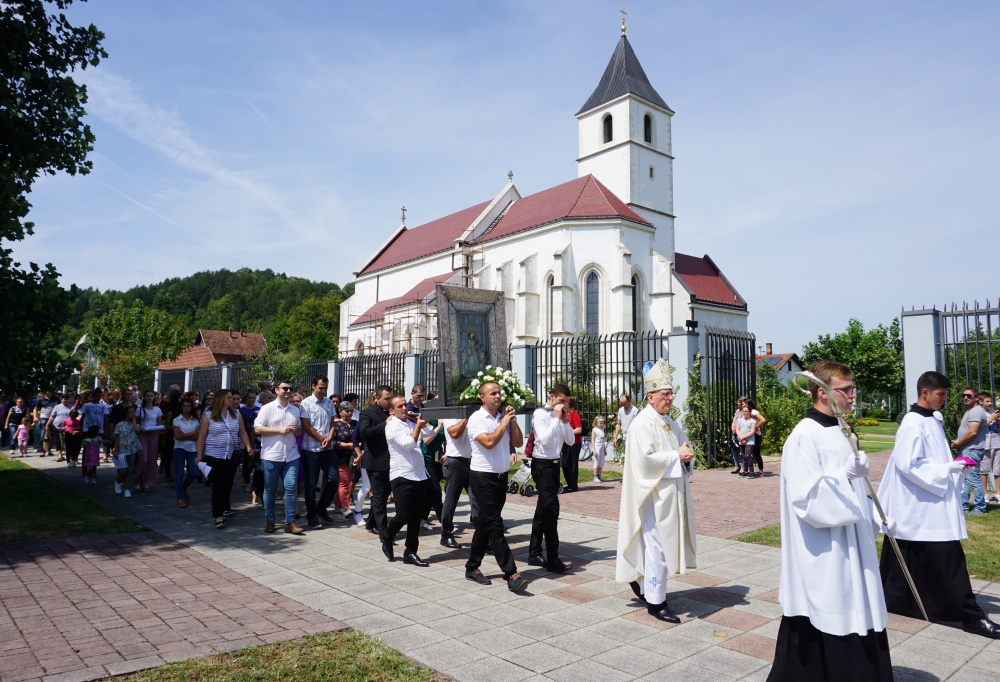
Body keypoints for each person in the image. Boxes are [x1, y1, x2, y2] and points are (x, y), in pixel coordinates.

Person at [767, 361, 892, 681]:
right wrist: (844, 476)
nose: (853, 394)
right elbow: (806, 500)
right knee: (830, 609)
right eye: (846, 389)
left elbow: (854, 488)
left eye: (853, 388)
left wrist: (873, 512)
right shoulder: (803, 437)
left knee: (855, 604)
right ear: (822, 392)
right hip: (823, 549)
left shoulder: (842, 429)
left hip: (851, 542)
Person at [878, 371, 1000, 639]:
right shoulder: (912, 423)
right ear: (925, 392)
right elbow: (907, 463)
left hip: (929, 497)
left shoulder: (930, 419)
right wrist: (950, 469)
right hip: (920, 502)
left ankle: (902, 602)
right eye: (941, 394)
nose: (945, 399)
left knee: (914, 554)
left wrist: (952, 468)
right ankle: (970, 616)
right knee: (947, 559)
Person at [615, 358, 696, 623]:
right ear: (650, 396)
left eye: (671, 393)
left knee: (659, 546)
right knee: (658, 548)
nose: (670, 398)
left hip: (670, 495)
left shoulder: (669, 423)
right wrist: (676, 456)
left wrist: (687, 455)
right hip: (651, 496)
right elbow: (644, 462)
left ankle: (644, 583)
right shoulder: (642, 423)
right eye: (665, 394)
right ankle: (656, 603)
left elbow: (682, 449)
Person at [464, 381, 526, 591]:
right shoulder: (476, 419)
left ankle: (472, 567)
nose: (498, 396)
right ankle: (511, 573)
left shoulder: (503, 418)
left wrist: (512, 421)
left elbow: (517, 442)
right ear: (483, 398)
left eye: (499, 393)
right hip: (482, 478)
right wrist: (503, 423)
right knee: (495, 524)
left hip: (500, 477)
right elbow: (489, 442)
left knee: (485, 524)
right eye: (493, 393)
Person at [528, 383, 575, 572]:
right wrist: (556, 419)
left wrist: (564, 421)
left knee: (542, 511)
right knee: (551, 510)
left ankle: (534, 552)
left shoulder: (561, 417)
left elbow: (570, 441)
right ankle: (553, 558)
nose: (564, 405)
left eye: (566, 402)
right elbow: (545, 440)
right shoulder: (540, 414)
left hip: (555, 466)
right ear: (552, 397)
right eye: (561, 401)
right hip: (542, 465)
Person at [382, 395, 432, 565]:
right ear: (391, 411)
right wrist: (417, 425)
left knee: (415, 518)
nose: (404, 408)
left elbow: (430, 432)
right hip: (401, 476)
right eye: (399, 407)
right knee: (403, 515)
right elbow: (408, 445)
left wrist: (420, 420)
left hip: (419, 475)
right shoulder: (392, 427)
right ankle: (387, 536)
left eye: (404, 405)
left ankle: (410, 552)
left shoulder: (410, 422)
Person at [196, 390, 254, 530]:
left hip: (231, 454)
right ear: (221, 399)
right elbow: (201, 437)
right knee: (218, 483)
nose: (232, 400)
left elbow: (242, 431)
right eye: (229, 398)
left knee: (227, 484)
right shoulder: (208, 415)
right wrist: (199, 455)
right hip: (213, 454)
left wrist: (248, 446)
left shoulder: (236, 414)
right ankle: (218, 516)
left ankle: (223, 507)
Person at [254, 380, 304, 535]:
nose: (288, 391)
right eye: (285, 388)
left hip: (291, 455)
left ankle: (290, 522)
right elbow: (257, 429)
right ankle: (270, 520)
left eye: (290, 388)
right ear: (276, 390)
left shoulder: (295, 410)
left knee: (290, 487)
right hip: (271, 455)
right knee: (270, 488)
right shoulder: (267, 408)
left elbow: (300, 430)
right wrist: (280, 430)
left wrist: (296, 431)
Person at [299, 375, 339, 529]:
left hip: (328, 449)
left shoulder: (328, 402)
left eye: (325, 388)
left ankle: (321, 509)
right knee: (311, 485)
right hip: (311, 451)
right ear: (313, 386)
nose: (323, 391)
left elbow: (332, 422)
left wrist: (329, 438)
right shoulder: (306, 403)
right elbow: (306, 426)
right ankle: (311, 516)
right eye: (321, 388)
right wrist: (322, 438)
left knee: (334, 479)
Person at [358, 386, 393, 538]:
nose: (389, 401)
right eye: (386, 398)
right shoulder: (367, 413)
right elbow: (364, 433)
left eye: (391, 398)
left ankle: (371, 522)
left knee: (384, 494)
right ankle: (383, 530)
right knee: (379, 496)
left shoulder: (392, 412)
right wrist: (386, 423)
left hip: (391, 461)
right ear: (377, 399)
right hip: (376, 460)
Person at [439, 417, 478, 548]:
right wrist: (466, 417)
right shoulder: (451, 416)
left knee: (477, 500)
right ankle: (446, 535)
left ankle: (482, 537)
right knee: (451, 501)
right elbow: (454, 433)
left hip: (472, 462)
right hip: (455, 462)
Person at [952, 387, 988, 515]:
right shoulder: (970, 411)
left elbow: (973, 432)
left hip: (972, 449)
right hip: (967, 448)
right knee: (965, 478)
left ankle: (980, 507)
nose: (965, 398)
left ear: (977, 398)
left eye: (969, 395)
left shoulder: (976, 412)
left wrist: (958, 443)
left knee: (973, 479)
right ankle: (963, 505)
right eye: (964, 395)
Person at [172, 397, 200, 508]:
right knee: (179, 473)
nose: (186, 408)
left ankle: (183, 488)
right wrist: (192, 434)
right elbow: (177, 436)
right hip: (180, 448)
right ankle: (179, 498)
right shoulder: (177, 420)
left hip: (193, 448)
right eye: (184, 406)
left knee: (193, 472)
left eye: (188, 406)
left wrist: (186, 435)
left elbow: (199, 435)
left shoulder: (196, 419)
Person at [134, 390, 164, 492]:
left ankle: (147, 483)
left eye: (151, 396)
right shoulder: (139, 409)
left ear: (154, 397)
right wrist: (138, 428)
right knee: (143, 459)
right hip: (142, 434)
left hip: (153, 434)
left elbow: (159, 424)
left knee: (151, 460)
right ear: (144, 397)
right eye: (147, 396)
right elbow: (133, 420)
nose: (149, 398)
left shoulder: (157, 410)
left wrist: (158, 428)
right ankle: (138, 482)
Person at [332, 403, 357, 518]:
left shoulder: (356, 424)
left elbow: (361, 437)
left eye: (351, 411)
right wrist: (346, 445)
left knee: (349, 481)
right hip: (339, 458)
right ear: (340, 412)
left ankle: (338, 504)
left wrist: (358, 445)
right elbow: (333, 441)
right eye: (346, 411)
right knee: (343, 483)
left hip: (353, 458)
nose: (349, 413)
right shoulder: (336, 425)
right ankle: (346, 506)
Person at [112, 405, 141, 497]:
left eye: (133, 412)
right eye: (130, 412)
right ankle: (117, 481)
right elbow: (117, 438)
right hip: (122, 448)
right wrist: (116, 450)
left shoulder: (133, 423)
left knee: (130, 469)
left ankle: (127, 489)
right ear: (125, 414)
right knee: (123, 469)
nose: (133, 414)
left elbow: (138, 430)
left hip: (132, 448)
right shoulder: (119, 424)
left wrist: (133, 421)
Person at [979, 393, 1000, 503]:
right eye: (987, 401)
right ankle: (985, 494)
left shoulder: (993, 412)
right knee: (984, 470)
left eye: (991, 401)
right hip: (985, 445)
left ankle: (998, 494)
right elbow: (979, 428)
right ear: (981, 401)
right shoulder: (979, 413)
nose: (990, 403)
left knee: (998, 470)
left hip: (996, 443)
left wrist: (998, 421)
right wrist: (991, 418)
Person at [561, 396, 583, 493]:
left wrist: (568, 433)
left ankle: (573, 485)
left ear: (567, 405)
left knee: (572, 464)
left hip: (574, 443)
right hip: (565, 442)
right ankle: (569, 483)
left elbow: (579, 429)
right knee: (564, 464)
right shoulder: (565, 415)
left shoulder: (575, 414)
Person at [613, 393, 638, 464]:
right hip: (625, 438)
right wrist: (615, 437)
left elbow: (637, 426)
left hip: (633, 438)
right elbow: (618, 424)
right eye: (621, 403)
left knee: (634, 458)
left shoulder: (635, 411)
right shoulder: (621, 410)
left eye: (624, 403)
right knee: (627, 459)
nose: (623, 405)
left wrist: (631, 439)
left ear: (629, 401)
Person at [735, 405, 759, 478]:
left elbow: (752, 432)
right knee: (744, 456)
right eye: (743, 411)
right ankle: (745, 471)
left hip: (750, 441)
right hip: (741, 440)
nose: (744, 413)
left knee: (748, 455)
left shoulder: (753, 421)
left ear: (750, 412)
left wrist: (744, 437)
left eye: (746, 411)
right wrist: (741, 437)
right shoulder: (740, 420)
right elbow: (737, 429)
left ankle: (751, 472)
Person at [50, 394, 72, 462]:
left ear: (69, 399)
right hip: (57, 426)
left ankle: (70, 456)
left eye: (67, 399)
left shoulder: (72, 407)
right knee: (58, 441)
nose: (65, 400)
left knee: (68, 442)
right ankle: (59, 455)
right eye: (64, 399)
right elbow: (52, 416)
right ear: (61, 400)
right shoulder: (57, 407)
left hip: (68, 427)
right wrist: (47, 425)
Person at [591, 416, 608, 482]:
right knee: (597, 461)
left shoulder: (602, 430)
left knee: (601, 461)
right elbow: (592, 440)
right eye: (600, 423)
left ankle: (599, 475)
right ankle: (595, 476)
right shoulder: (594, 430)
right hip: (597, 445)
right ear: (596, 423)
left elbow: (603, 440)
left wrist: (604, 449)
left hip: (601, 445)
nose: (602, 424)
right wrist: (594, 450)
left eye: (603, 423)